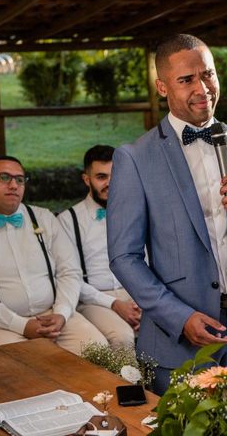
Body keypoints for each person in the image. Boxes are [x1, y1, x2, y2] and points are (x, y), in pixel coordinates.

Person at [107, 34, 227, 395]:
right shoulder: (135, 158)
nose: (202, 88)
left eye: (208, 75)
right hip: (179, 337)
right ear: (162, 87)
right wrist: (179, 317)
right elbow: (124, 257)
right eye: (186, 79)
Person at [0, 156, 106, 355]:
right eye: (4, 178)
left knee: (98, 350)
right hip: (1, 324)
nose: (13, 185)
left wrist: (61, 313)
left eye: (19, 179)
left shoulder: (44, 218)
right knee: (24, 367)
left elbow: (69, 271)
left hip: (54, 315)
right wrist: (21, 325)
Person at [58, 145, 141, 348]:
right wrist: (113, 303)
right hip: (94, 299)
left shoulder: (137, 212)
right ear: (87, 180)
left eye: (115, 175)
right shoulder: (68, 220)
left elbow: (147, 261)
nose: (110, 183)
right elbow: (70, 276)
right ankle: (125, 382)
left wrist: (143, 299)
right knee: (121, 337)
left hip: (137, 295)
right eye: (101, 177)